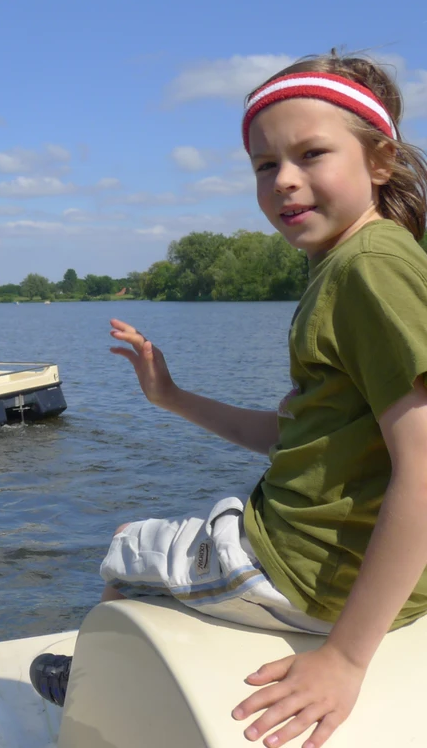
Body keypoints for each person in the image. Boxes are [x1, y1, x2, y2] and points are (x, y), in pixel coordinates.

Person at [30, 52, 427, 748]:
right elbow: (295, 438)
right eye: (264, 165)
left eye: (311, 154)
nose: (285, 181)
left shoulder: (368, 269)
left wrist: (344, 659)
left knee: (126, 546)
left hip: (299, 570)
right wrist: (172, 396)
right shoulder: (363, 262)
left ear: (381, 161)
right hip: (356, 571)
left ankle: (85, 690)